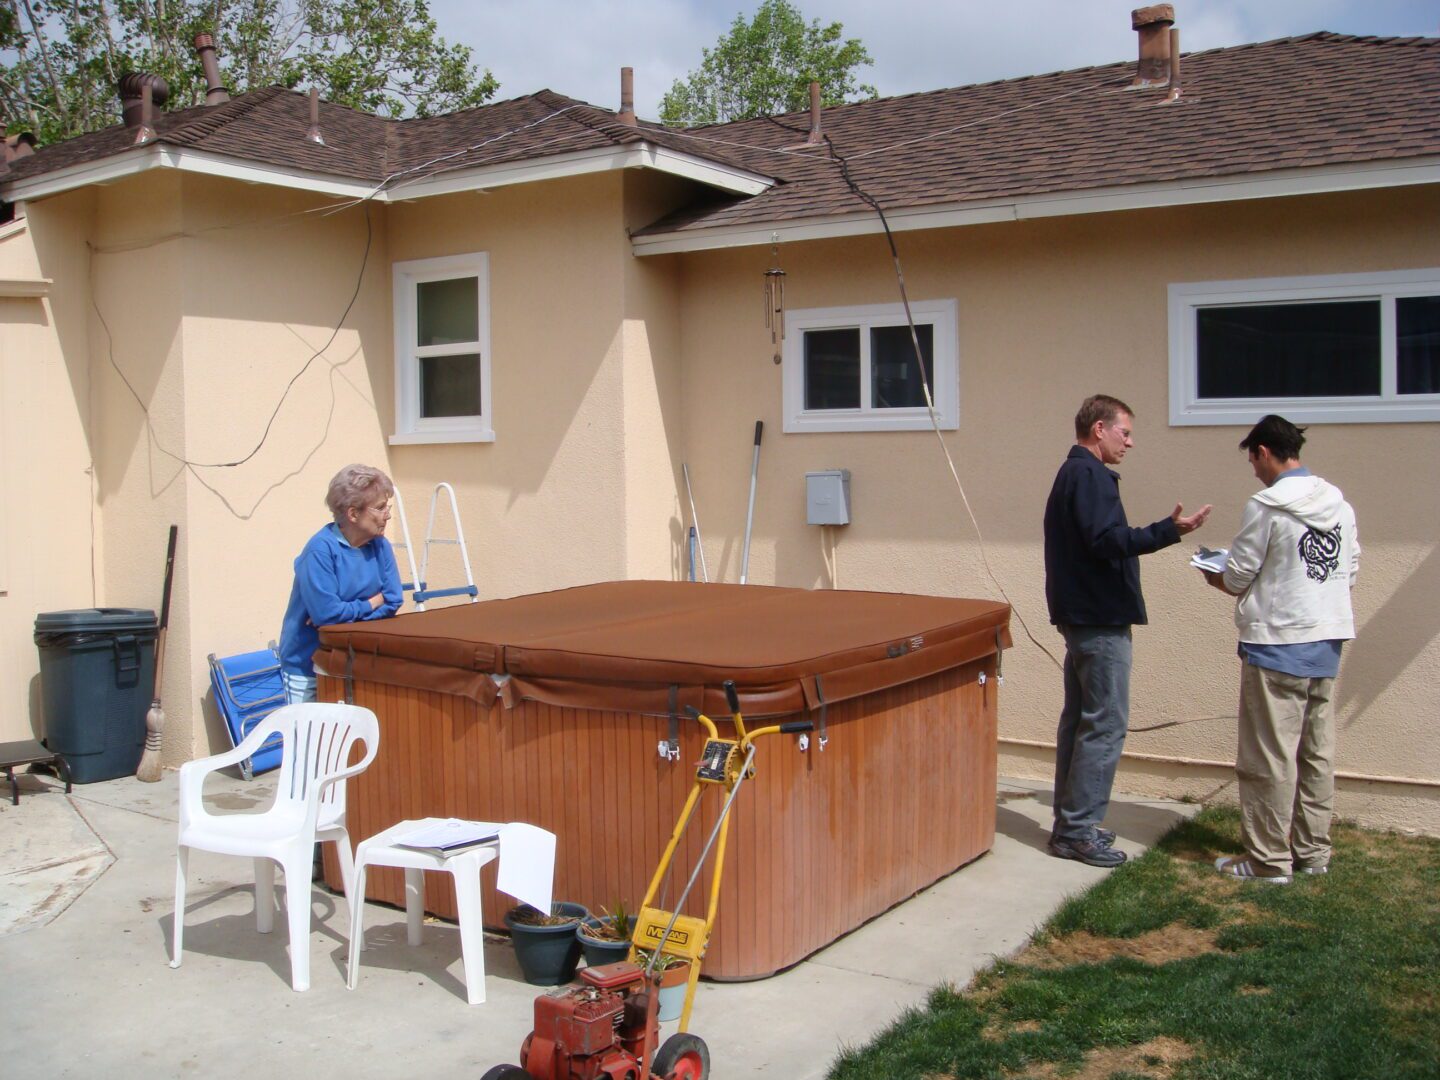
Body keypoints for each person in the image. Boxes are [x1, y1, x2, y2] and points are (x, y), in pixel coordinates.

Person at [1044, 394, 1211, 867]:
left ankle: (1070, 824)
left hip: (1083, 616)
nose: (1130, 443)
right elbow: (1105, 542)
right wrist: (1168, 531)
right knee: (1105, 723)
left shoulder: (1074, 473)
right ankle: (1077, 831)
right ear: (1099, 429)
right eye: (1125, 433)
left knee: (1080, 722)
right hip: (1098, 620)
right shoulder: (1089, 475)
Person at [1202, 415, 1359, 884]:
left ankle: (1269, 860)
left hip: (1275, 645)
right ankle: (1312, 852)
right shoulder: (1339, 503)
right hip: (1325, 642)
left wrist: (1214, 574)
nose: (1253, 470)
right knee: (1316, 753)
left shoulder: (1266, 506)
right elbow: (1348, 568)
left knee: (1268, 757)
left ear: (1264, 452)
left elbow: (1237, 575)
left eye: (1253, 460)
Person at [279, 464, 403, 704]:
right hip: (308, 668)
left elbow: (393, 600)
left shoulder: (380, 546)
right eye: (379, 508)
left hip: (355, 664)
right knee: (311, 742)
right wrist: (372, 602)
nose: (387, 514)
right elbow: (329, 615)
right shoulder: (320, 550)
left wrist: (342, 617)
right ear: (353, 514)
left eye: (386, 507)